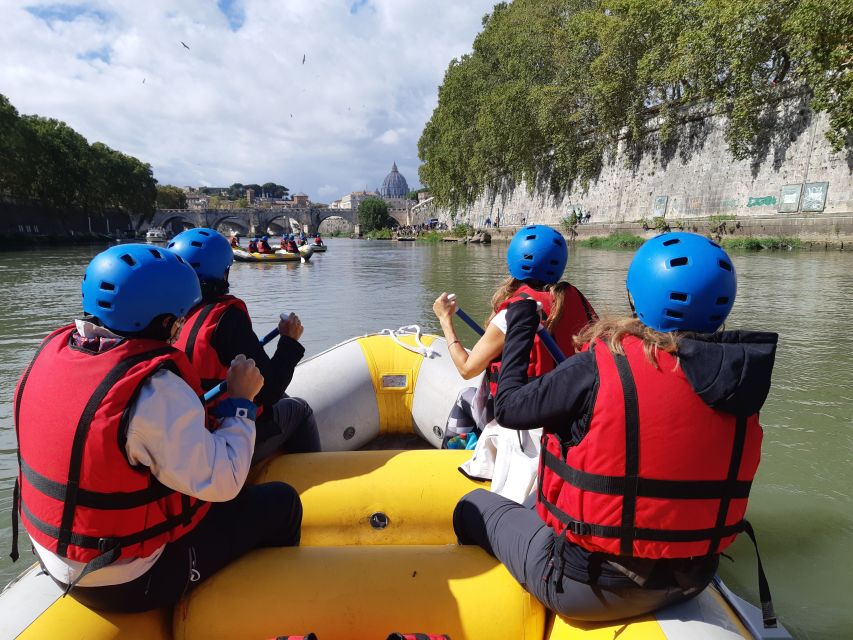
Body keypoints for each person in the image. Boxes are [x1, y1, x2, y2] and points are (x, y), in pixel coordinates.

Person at [453, 232, 778, 624]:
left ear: (635, 296)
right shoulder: (742, 382)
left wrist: (521, 326)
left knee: (471, 506)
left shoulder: (599, 367)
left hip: (587, 586)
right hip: (695, 577)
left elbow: (509, 410)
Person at [11, 244, 301, 613]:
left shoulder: (45, 355)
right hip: (127, 580)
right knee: (283, 502)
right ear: (166, 324)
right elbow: (225, 481)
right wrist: (240, 402)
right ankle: (279, 610)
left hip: (52, 556)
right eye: (179, 318)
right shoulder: (155, 390)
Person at [433, 224, 596, 502]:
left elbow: (466, 368)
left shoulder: (513, 313)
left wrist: (445, 321)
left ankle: (459, 469)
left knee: (465, 398)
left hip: (525, 414)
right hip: (568, 411)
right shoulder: (576, 299)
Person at [168, 228, 321, 463]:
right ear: (223, 272)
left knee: (283, 395)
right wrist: (289, 341)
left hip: (187, 427)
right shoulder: (226, 318)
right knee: (299, 409)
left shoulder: (166, 316)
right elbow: (269, 391)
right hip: (218, 434)